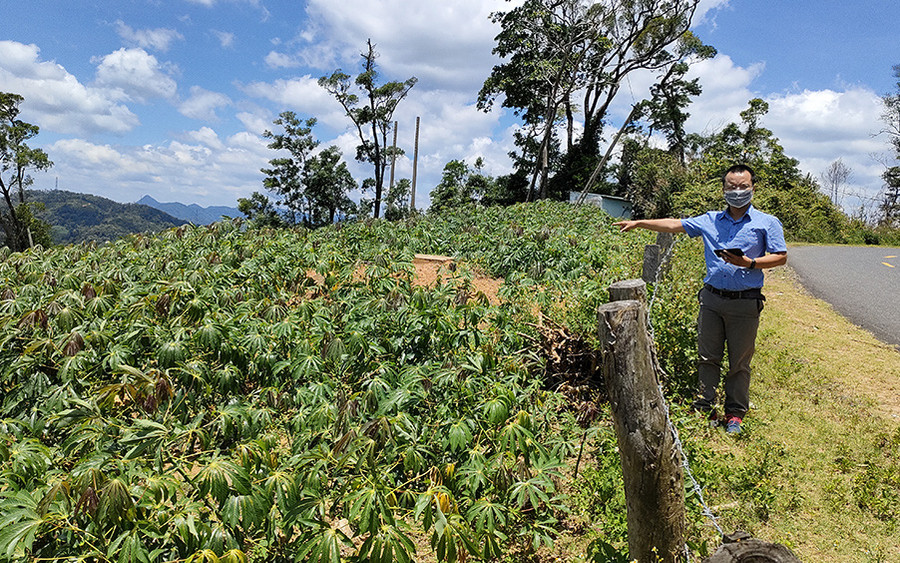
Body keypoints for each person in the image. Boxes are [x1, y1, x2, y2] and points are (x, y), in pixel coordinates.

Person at [613, 164, 787, 434]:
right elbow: (674, 224)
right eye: (732, 187)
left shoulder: (767, 222)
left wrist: (749, 263)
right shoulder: (710, 220)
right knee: (707, 356)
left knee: (739, 361)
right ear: (723, 189)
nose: (737, 191)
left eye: (743, 186)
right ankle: (704, 405)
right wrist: (640, 223)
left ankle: (735, 413)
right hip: (712, 300)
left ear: (753, 187)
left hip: (745, 301)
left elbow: (780, 256)